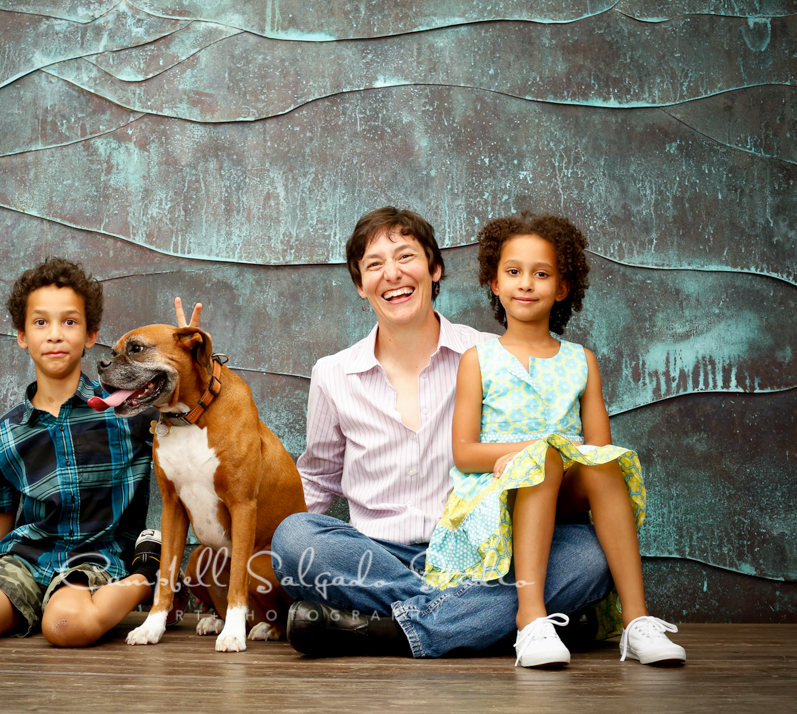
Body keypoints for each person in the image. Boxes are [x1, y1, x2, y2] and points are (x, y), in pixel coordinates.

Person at [273, 207, 614, 659]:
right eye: (374, 264)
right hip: (376, 558)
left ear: (434, 269)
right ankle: (486, 622)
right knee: (295, 539)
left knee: (588, 556)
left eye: (406, 256)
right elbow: (317, 479)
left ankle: (391, 633)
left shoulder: (494, 356)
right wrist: (267, 571)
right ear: (360, 285)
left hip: (484, 555)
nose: (392, 274)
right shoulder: (333, 373)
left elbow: (557, 455)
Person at [0, 258, 198, 646]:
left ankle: (150, 578)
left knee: (66, 629)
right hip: (26, 559)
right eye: (41, 322)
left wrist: (188, 357)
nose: (55, 335)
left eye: (70, 322)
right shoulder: (6, 434)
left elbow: (193, 434)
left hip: (98, 560)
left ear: (91, 335)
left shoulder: (128, 413)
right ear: (22, 335)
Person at [423, 214, 685, 666]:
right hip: (497, 491)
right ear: (494, 283)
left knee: (603, 463)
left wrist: (555, 456)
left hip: (562, 489)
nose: (526, 283)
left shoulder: (581, 361)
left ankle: (637, 621)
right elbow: (464, 453)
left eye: (541, 274)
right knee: (543, 458)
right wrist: (527, 453)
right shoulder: (478, 359)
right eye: (513, 272)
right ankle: (531, 621)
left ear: (562, 289)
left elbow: (598, 452)